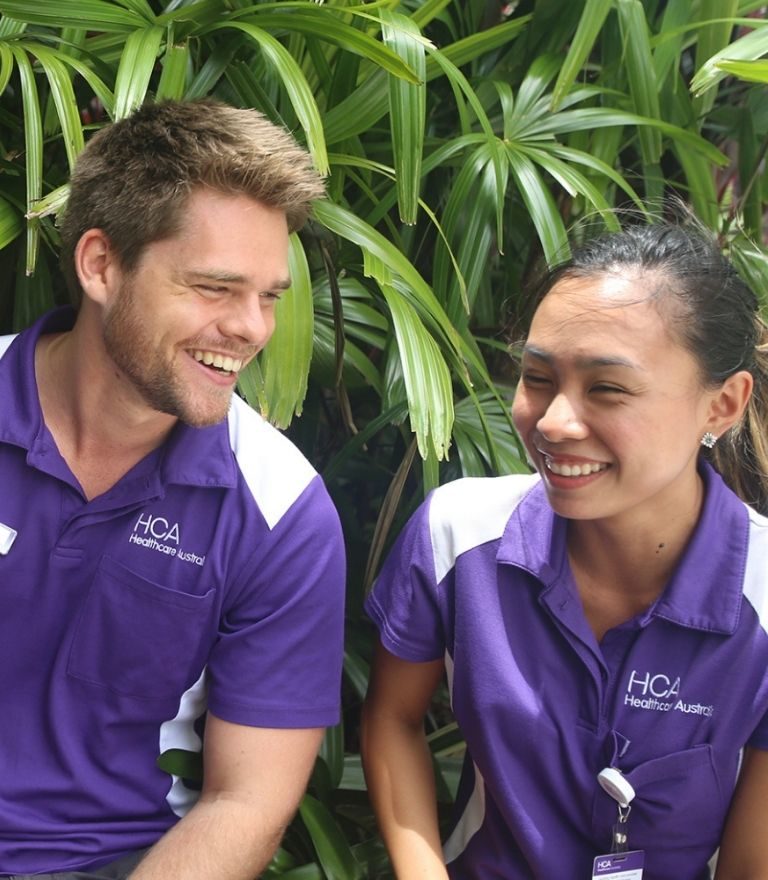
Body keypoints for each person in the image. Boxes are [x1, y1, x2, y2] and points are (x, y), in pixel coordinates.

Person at [0, 100, 346, 878]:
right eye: (216, 287)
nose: (253, 329)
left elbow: (247, 803)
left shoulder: (282, 510)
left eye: (269, 296)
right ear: (101, 264)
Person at [361, 221, 768, 879]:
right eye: (537, 377)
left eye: (607, 388)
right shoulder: (459, 536)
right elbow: (393, 719)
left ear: (722, 405)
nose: (553, 423)